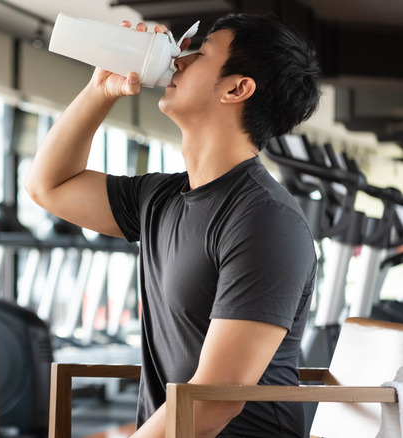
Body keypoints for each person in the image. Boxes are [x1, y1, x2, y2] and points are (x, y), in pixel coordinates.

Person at [25, 13, 321, 437]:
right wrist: (100, 89)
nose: (178, 60)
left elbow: (211, 404)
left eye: (199, 53)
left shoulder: (266, 222)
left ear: (237, 88)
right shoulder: (160, 197)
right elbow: (48, 186)